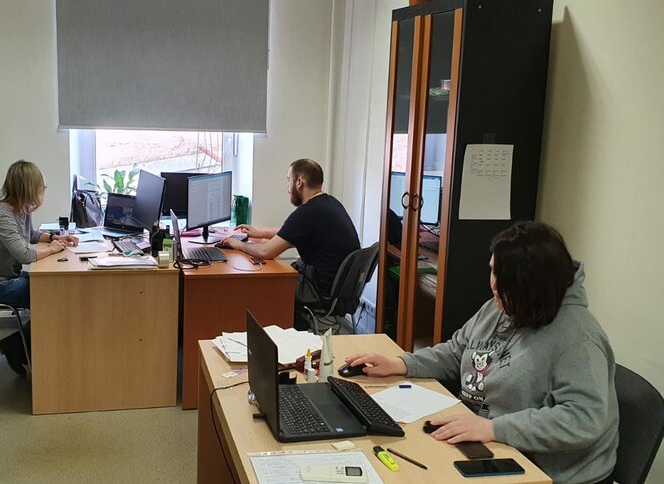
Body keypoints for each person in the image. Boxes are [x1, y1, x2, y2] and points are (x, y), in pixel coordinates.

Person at [345, 222, 618, 484]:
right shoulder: (502, 306)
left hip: (544, 471)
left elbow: (582, 419)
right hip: (486, 440)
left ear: (531, 286)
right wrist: (401, 364)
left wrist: (493, 428)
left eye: (505, 281)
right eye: (493, 272)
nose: (494, 285)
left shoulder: (578, 339)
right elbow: (457, 351)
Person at [221, 159, 360, 331]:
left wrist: (237, 245)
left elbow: (266, 251)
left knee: (263, 282)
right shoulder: (329, 204)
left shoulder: (307, 213)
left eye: (288, 180)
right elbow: (292, 231)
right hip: (339, 291)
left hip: (318, 291)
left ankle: (280, 334)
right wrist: (259, 233)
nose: (287, 187)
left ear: (299, 182)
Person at [0, 160, 79, 376]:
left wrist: (55, 238)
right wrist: (52, 248)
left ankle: (19, 346)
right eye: (41, 187)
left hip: (7, 277)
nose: (43, 191)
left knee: (56, 288)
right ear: (28, 188)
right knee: (50, 295)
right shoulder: (1, 215)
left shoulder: (22, 209)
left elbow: (30, 235)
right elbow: (25, 255)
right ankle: (17, 348)